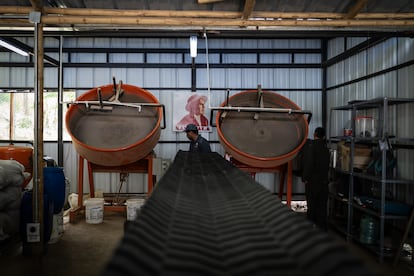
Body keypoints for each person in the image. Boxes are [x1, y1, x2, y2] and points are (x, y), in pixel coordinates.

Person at [302, 127, 330, 231]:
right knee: (322, 207)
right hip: (324, 182)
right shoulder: (326, 148)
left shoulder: (312, 147)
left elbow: (309, 164)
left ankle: (311, 231)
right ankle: (322, 229)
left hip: (313, 182)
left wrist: (305, 177)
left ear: (315, 134)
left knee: (312, 206)